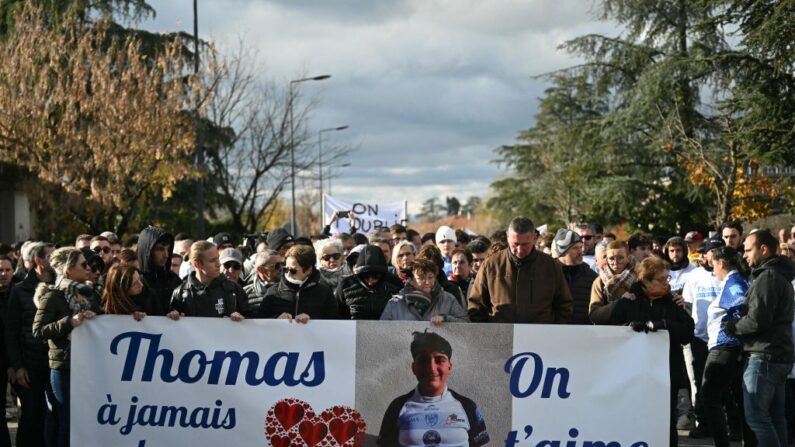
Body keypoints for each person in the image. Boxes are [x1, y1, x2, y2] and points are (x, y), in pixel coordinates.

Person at [609, 256, 694, 447]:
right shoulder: (629, 301)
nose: (666, 283)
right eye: (661, 279)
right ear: (645, 281)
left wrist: (664, 325)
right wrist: (629, 328)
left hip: (666, 373)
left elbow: (688, 333)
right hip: (633, 374)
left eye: (667, 278)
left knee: (666, 421)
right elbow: (611, 331)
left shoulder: (673, 301)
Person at [725, 229, 795, 446]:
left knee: (757, 418)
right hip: (776, 355)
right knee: (774, 418)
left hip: (764, 355)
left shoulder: (768, 277)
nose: (744, 255)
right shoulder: (776, 275)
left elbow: (757, 321)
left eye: (747, 249)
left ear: (763, 249)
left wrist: (732, 326)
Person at [33, 247, 99, 447]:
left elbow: (102, 316)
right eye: (83, 264)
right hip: (64, 367)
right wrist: (68, 322)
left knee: (82, 420)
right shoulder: (53, 296)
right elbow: (39, 331)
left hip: (86, 365)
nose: (88, 268)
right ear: (69, 270)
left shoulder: (86, 294)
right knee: (67, 422)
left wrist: (94, 316)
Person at [377, 331, 488, 447]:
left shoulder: (468, 407)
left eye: (439, 360)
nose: (431, 368)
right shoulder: (397, 406)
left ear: (449, 367)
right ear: (414, 367)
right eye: (423, 360)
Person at [469, 217, 572, 324]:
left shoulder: (550, 266)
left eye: (525, 244)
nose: (519, 250)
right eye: (515, 244)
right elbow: (476, 304)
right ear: (508, 237)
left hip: (541, 336)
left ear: (534, 238)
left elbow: (564, 304)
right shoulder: (491, 265)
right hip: (501, 335)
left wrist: (554, 331)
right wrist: (487, 333)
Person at [702, 246, 753, 446]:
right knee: (739, 399)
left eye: (713, 264)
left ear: (721, 263)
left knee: (709, 396)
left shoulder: (733, 281)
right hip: (730, 348)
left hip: (725, 347)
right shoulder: (734, 280)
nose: (713, 269)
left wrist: (732, 329)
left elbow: (740, 303)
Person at [6, 242, 54, 447]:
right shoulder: (19, 291)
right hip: (29, 367)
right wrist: (17, 366)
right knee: (31, 416)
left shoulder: (60, 287)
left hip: (53, 365)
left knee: (51, 419)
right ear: (38, 261)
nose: (54, 262)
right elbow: (11, 332)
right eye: (50, 257)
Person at [683, 234, 724, 438]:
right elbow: (688, 305)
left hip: (722, 339)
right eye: (711, 251)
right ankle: (704, 422)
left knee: (722, 383)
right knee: (699, 382)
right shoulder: (694, 276)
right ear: (704, 254)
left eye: (718, 251)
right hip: (699, 337)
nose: (714, 255)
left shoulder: (728, 274)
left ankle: (727, 424)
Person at [168, 241, 248, 320]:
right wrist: (172, 316)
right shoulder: (181, 292)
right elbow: (169, 327)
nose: (218, 264)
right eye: (212, 261)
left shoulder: (234, 289)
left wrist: (241, 318)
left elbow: (251, 321)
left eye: (218, 258)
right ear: (197, 264)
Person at [256, 245, 338, 322]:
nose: (288, 274)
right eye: (285, 269)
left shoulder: (324, 293)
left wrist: (311, 321)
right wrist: (276, 318)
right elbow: (259, 322)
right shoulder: (273, 292)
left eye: (293, 271)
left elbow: (334, 323)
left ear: (308, 270)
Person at [381, 257, 469, 324]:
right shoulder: (395, 303)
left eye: (430, 277)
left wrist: (446, 319)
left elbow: (466, 324)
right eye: (421, 278)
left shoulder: (447, 299)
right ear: (411, 280)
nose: (427, 282)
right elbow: (383, 330)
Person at [336, 245, 403, 320]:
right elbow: (337, 314)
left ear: (383, 275)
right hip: (353, 330)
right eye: (365, 276)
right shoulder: (346, 285)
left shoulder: (394, 283)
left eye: (376, 276)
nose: (370, 281)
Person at [554, 229, 597, 325]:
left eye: (581, 247)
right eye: (575, 248)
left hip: (584, 334)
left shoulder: (592, 277)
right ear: (563, 251)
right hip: (553, 333)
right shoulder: (547, 275)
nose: (580, 251)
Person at [589, 240, 637, 324]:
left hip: (635, 332)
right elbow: (594, 314)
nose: (615, 263)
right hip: (608, 332)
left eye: (620, 258)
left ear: (628, 258)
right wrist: (617, 304)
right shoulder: (600, 281)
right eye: (611, 259)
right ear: (607, 259)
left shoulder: (639, 278)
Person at [137, 225, 181, 316]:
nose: (166, 255)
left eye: (168, 249)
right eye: (160, 249)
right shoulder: (134, 280)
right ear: (148, 250)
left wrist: (179, 313)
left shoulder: (173, 280)